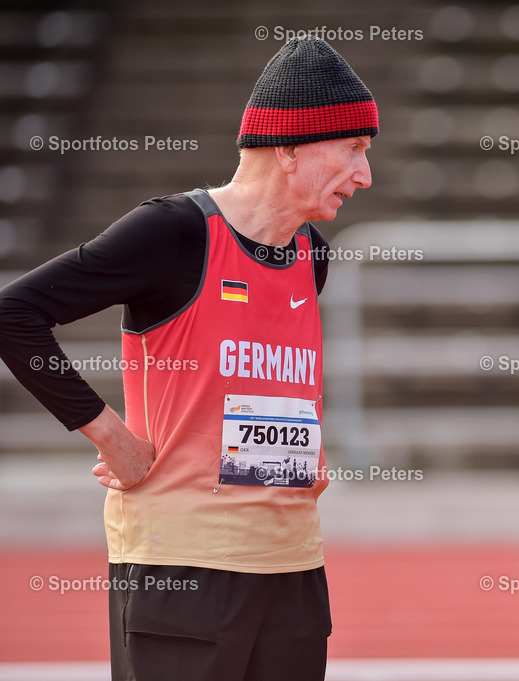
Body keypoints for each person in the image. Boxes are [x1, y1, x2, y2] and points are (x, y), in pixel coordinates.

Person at [0, 37, 376, 681]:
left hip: (291, 566)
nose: (366, 176)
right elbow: (15, 314)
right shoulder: (173, 232)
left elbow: (259, 378)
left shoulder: (312, 252)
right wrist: (111, 436)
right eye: (354, 150)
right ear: (290, 147)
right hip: (184, 569)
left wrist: (304, 448)